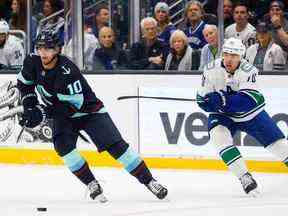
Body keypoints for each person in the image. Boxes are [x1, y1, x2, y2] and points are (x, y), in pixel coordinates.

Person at [16, 29, 168, 201]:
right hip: (62, 113)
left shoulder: (68, 71)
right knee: (63, 147)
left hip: (89, 111)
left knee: (116, 146)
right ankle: (91, 183)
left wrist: (42, 113)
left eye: (48, 48)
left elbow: (72, 107)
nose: (43, 52)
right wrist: (30, 106)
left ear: (58, 49)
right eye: (40, 48)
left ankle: (149, 181)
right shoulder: (31, 61)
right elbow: (24, 84)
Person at [196, 37, 288, 196]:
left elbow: (246, 101)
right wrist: (206, 101)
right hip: (223, 116)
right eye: (226, 54)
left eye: (234, 55)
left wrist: (222, 100)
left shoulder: (249, 70)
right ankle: (244, 176)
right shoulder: (210, 69)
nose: (229, 59)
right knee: (218, 138)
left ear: (241, 57)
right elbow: (203, 101)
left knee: (279, 146)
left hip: (251, 114)